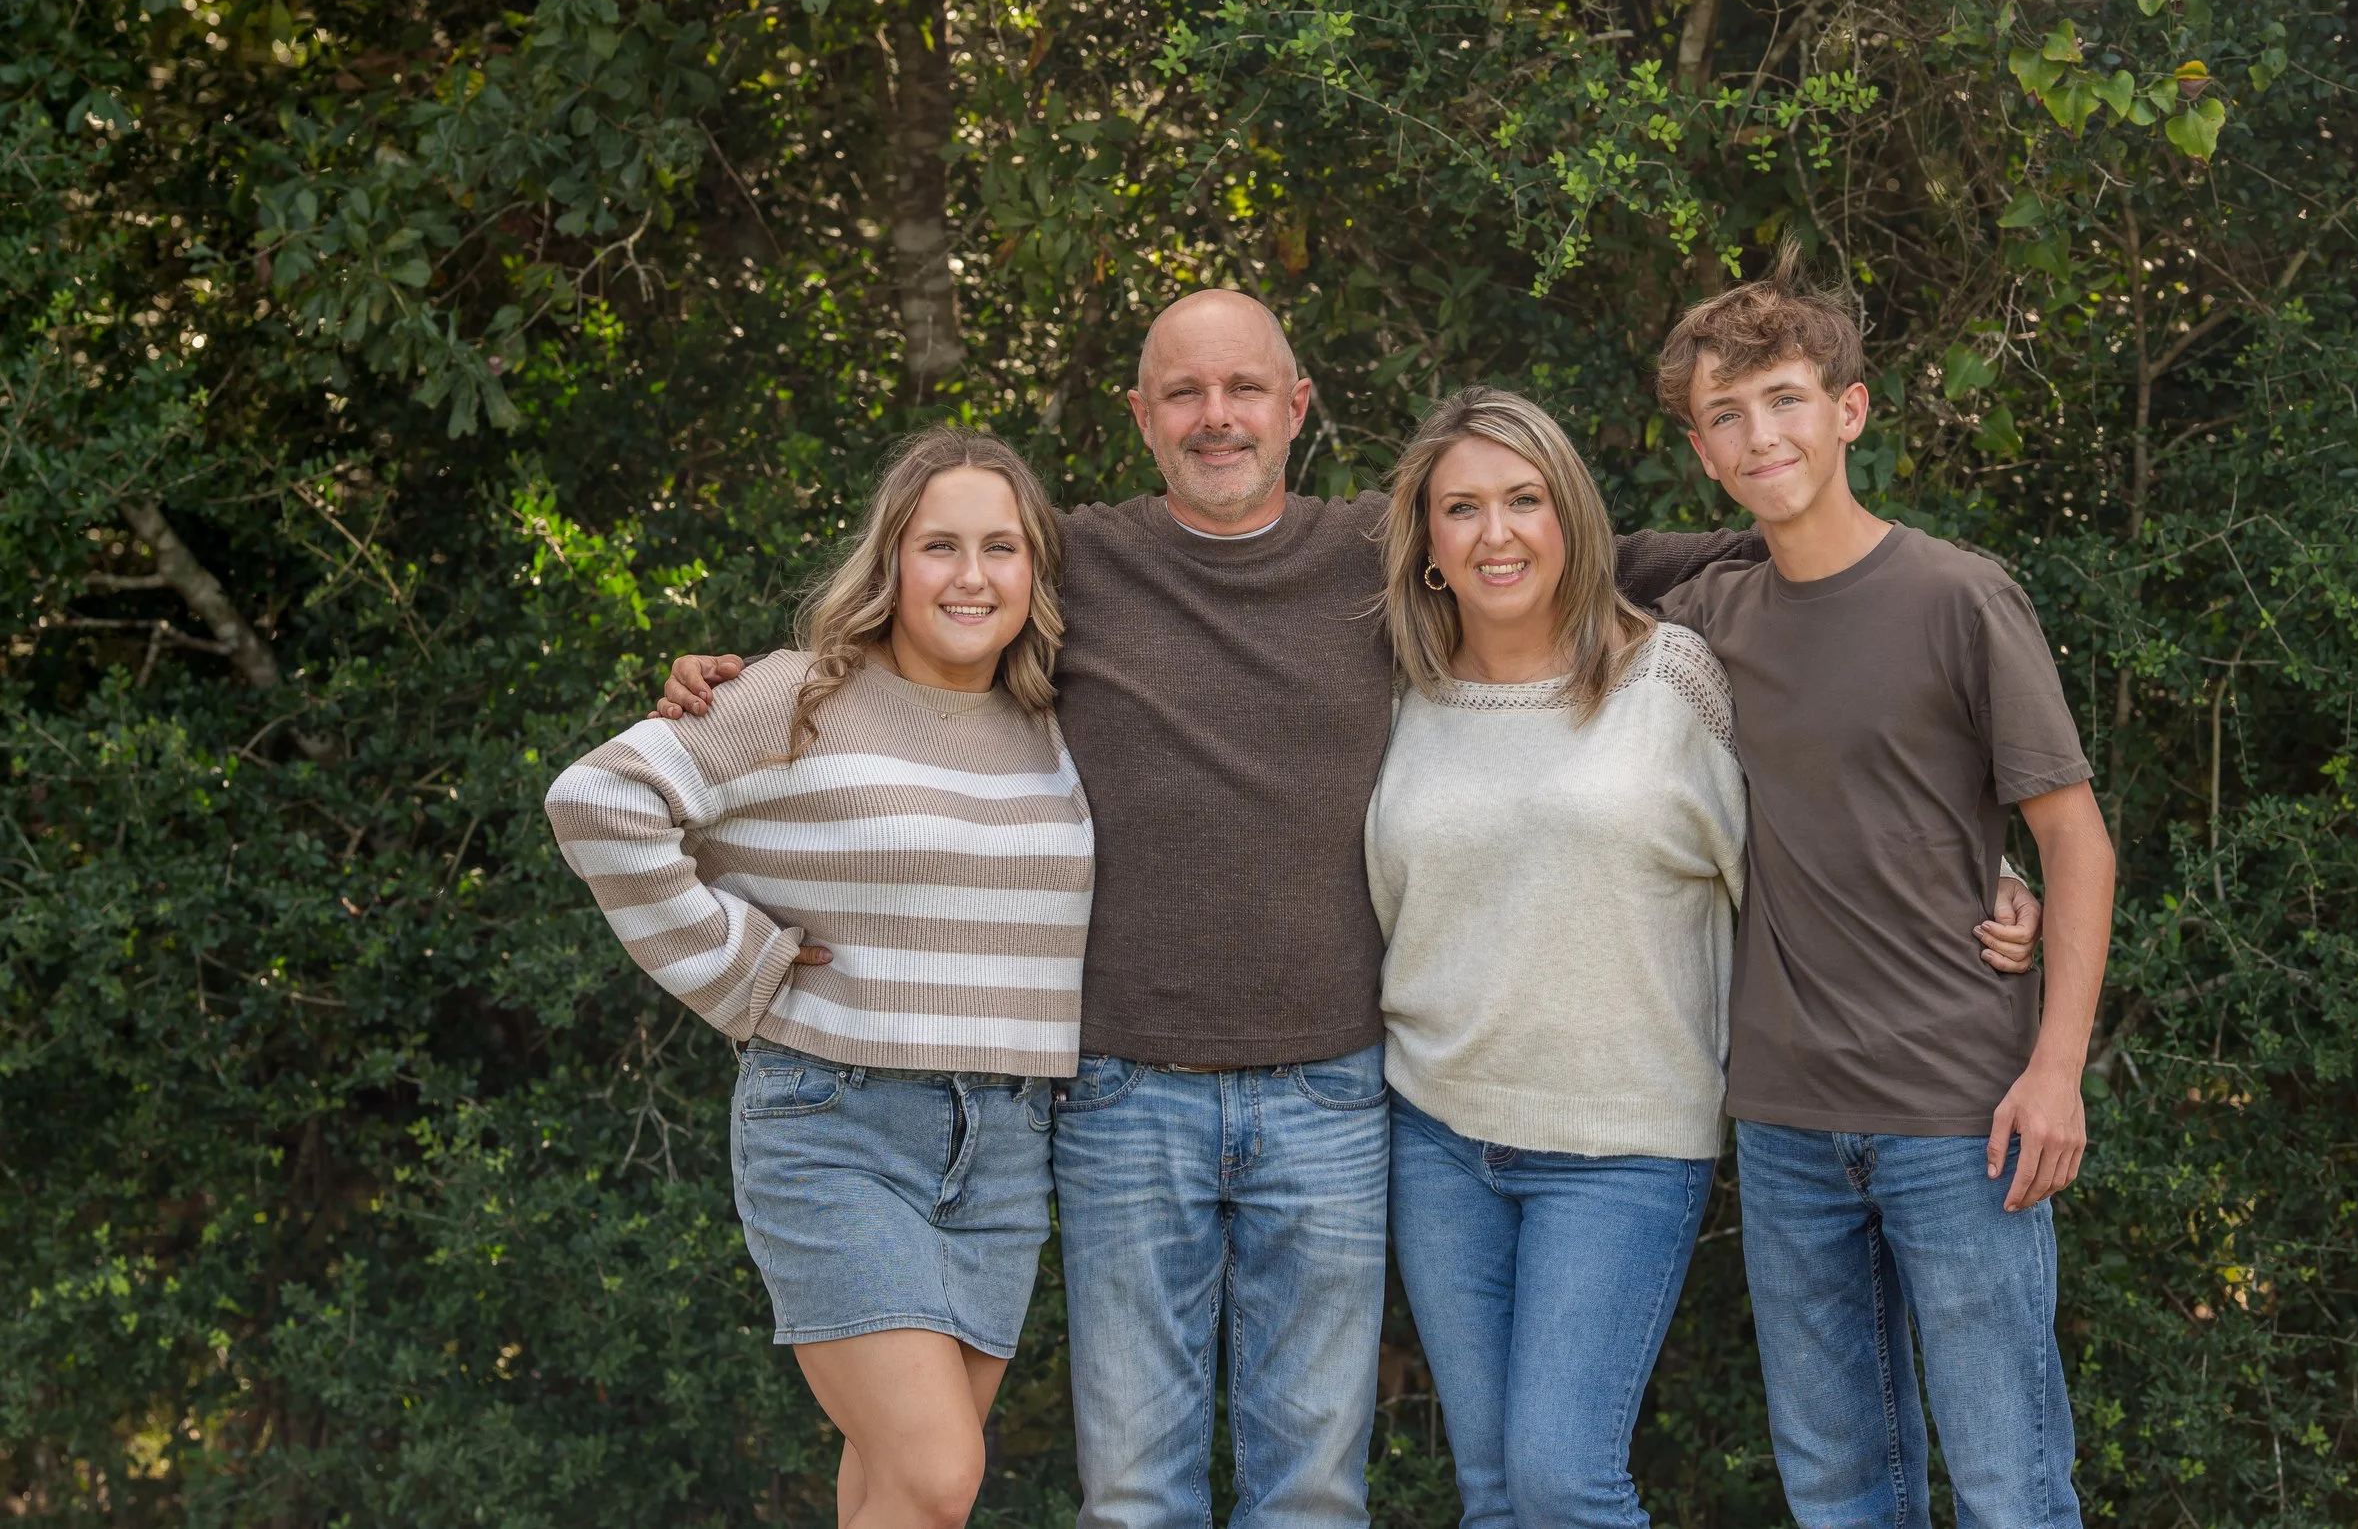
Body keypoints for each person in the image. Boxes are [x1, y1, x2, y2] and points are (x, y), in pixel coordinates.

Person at [654, 288, 2041, 1529]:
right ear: (1140, 415)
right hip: (1131, 1093)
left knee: (1325, 1487)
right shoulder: (1075, 562)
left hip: (1340, 1098)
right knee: (1135, 1488)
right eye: (1185, 391)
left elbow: (1682, 576)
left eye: (1246, 387)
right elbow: (927, 612)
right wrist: (754, 680)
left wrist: (1949, 867)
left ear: (1296, 407)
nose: (1218, 416)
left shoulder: (1404, 563)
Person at [545, 429, 1092, 1529]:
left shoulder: (1059, 721)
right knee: (941, 1475)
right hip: (838, 1124)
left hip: (1007, 1143)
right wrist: (744, 965)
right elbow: (597, 802)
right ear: (890, 561)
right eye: (940, 544)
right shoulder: (791, 696)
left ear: (1036, 570)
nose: (972, 574)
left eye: (1002, 546)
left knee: (893, 1488)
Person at [1654, 249, 2117, 1529]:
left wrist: (2058, 1066)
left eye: (1787, 399)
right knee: (1842, 1490)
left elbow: (2074, 838)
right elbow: (1536, 570)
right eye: (1726, 416)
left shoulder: (1958, 597)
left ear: (1849, 409)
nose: (1762, 435)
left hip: (1959, 1115)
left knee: (2011, 1481)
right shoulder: (1707, 609)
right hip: (1786, 1120)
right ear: (1702, 450)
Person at [1365, 387, 1746, 1529]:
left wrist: (1988, 874)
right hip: (1436, 1134)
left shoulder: (1672, 678)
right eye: (1462, 508)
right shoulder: (1399, 696)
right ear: (1427, 542)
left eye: (1524, 499)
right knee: (1490, 1491)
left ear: (1571, 517)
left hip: (1623, 1144)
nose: (1497, 533)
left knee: (1560, 1479)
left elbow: (1824, 829)